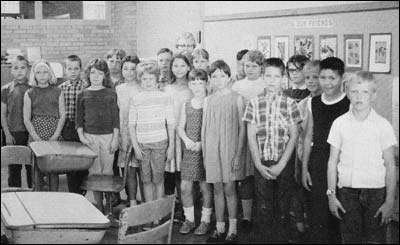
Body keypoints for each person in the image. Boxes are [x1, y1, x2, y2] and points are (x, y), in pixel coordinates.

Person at [327, 71, 397, 244]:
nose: (359, 97)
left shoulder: (382, 125)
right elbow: (332, 161)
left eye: (365, 92)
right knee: (350, 239)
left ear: (373, 95)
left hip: (376, 193)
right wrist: (331, 196)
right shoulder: (339, 123)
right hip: (347, 193)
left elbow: (390, 166)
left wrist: (389, 202)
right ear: (348, 93)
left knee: (375, 239)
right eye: (354, 91)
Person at [244, 57, 301, 243]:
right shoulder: (254, 103)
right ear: (263, 76)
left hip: (283, 162)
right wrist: (259, 165)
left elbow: (294, 136)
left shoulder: (290, 104)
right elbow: (251, 136)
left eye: (276, 76)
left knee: (283, 206)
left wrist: (282, 164)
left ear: (282, 78)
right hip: (262, 162)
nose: (271, 80)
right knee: (263, 207)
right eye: (268, 75)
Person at [302, 57, 350, 244]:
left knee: (340, 215)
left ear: (341, 78)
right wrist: (305, 168)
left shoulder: (349, 102)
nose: (327, 83)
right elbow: (308, 136)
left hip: (343, 163)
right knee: (318, 215)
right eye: (323, 77)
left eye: (332, 78)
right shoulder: (312, 103)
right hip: (319, 162)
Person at [203, 60, 245, 243]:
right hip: (212, 149)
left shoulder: (237, 98)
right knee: (217, 188)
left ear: (229, 77)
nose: (218, 79)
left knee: (230, 188)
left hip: (230, 149)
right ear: (210, 79)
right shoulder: (208, 100)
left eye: (222, 75)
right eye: (214, 76)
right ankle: (219, 227)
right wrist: (205, 155)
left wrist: (238, 154)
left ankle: (233, 229)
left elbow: (243, 129)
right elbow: (205, 129)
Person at [76, 58, 119, 213]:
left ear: (104, 76)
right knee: (94, 172)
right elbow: (79, 118)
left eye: (99, 73)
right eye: (93, 73)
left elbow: (116, 118)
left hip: (108, 137)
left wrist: (115, 138)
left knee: (107, 172)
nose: (95, 76)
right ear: (88, 74)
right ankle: (98, 207)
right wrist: (81, 135)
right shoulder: (82, 94)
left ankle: (108, 209)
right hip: (90, 136)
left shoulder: (110, 93)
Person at [128, 63, 175, 207]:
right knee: (146, 180)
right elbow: (131, 124)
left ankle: (157, 213)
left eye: (151, 78)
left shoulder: (165, 97)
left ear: (157, 79)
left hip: (160, 142)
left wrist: (171, 146)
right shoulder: (136, 98)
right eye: (144, 79)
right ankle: (149, 210)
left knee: (158, 179)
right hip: (142, 145)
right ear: (140, 80)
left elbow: (170, 123)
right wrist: (136, 147)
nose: (148, 82)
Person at [231, 50, 265, 233]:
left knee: (261, 178)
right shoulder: (237, 85)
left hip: (262, 137)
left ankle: (262, 217)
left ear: (261, 67)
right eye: (247, 65)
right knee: (245, 179)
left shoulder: (266, 83)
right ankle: (246, 217)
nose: (250, 69)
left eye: (254, 65)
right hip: (243, 135)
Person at [178, 69, 213, 236]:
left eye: (200, 82)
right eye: (193, 83)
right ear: (189, 84)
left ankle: (205, 220)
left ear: (206, 83)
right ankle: (189, 219)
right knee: (185, 187)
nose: (197, 86)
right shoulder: (187, 104)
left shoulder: (210, 102)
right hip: (190, 150)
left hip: (205, 151)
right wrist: (186, 140)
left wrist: (202, 144)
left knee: (205, 187)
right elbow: (180, 127)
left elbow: (213, 129)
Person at [23, 59, 66, 191]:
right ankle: (38, 195)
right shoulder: (29, 93)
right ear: (34, 75)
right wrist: (35, 137)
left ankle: (54, 195)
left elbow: (62, 115)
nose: (42, 75)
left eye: (45, 72)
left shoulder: (57, 91)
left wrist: (56, 135)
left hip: (53, 131)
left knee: (53, 168)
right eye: (38, 72)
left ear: (50, 74)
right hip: (36, 132)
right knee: (37, 168)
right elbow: (26, 118)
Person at [293, 60, 322, 241]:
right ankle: (300, 227)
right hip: (301, 154)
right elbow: (297, 133)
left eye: (316, 77)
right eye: (308, 77)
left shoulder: (329, 103)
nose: (311, 81)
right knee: (299, 190)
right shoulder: (303, 104)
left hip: (321, 156)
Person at [164, 53, 193, 222]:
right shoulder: (166, 88)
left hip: (187, 136)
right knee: (169, 174)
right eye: (175, 65)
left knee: (185, 176)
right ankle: (170, 208)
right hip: (170, 135)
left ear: (189, 67)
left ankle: (185, 208)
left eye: (183, 65)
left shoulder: (193, 86)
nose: (179, 69)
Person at [1, 55, 32, 188]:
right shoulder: (5, 90)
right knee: (14, 168)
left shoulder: (33, 88)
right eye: (16, 68)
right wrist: (7, 134)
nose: (19, 71)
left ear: (28, 70)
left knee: (32, 166)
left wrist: (34, 135)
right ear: (11, 70)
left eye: (23, 68)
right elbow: (2, 114)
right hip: (13, 133)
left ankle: (34, 193)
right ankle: (15, 194)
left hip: (31, 134)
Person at [59, 54, 88, 195]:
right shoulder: (61, 88)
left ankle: (83, 190)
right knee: (71, 160)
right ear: (65, 70)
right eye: (70, 68)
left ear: (81, 70)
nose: (73, 71)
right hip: (68, 127)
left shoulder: (86, 87)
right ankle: (73, 192)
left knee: (83, 159)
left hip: (84, 127)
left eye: (76, 68)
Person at [116, 55, 141, 207]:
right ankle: (132, 203)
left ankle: (146, 203)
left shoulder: (143, 86)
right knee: (128, 170)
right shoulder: (119, 89)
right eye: (126, 69)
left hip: (140, 133)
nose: (129, 72)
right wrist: (119, 135)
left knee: (143, 172)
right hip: (124, 133)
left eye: (133, 69)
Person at [104, 48, 127, 206]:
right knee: (110, 163)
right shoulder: (104, 81)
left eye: (119, 61)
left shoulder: (126, 81)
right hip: (108, 127)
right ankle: (113, 196)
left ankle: (130, 193)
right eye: (111, 61)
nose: (115, 64)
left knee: (125, 163)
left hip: (124, 125)